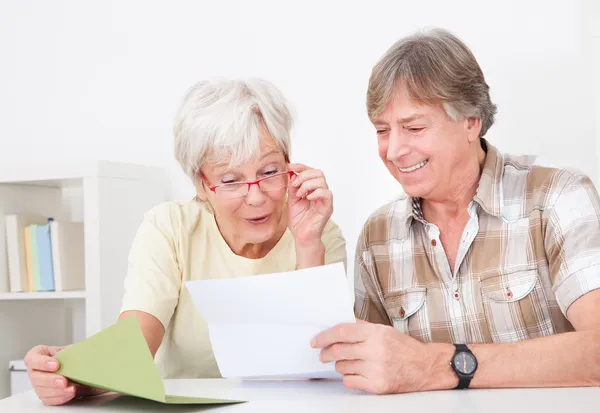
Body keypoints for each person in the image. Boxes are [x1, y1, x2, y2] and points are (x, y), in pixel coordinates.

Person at [24, 78, 347, 405]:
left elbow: (320, 362)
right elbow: (134, 345)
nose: (256, 196)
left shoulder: (318, 231)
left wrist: (308, 244)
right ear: (202, 185)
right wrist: (72, 376)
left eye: (269, 171)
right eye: (231, 180)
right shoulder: (170, 227)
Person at [312, 28, 600, 394]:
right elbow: (360, 374)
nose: (394, 150)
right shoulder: (378, 235)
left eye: (413, 127)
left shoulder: (557, 199)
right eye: (382, 130)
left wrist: (445, 365)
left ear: (471, 122)